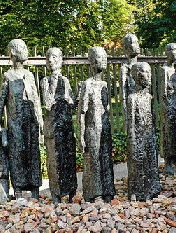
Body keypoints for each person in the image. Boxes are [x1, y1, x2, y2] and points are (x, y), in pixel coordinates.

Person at [0, 39, 43, 200]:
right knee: (17, 154)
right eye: (22, 48)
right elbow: (0, 103)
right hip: (16, 124)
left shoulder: (29, 75)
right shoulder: (7, 76)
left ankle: (35, 187)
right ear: (14, 53)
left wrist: (41, 122)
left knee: (33, 154)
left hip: (31, 123)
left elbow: (36, 101)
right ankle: (18, 188)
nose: (26, 50)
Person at [77, 46, 115, 203]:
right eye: (100, 57)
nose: (104, 60)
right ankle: (95, 193)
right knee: (94, 161)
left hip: (104, 128)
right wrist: (80, 136)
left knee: (106, 159)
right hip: (92, 129)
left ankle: (108, 191)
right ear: (92, 62)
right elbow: (81, 112)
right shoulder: (87, 84)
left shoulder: (105, 84)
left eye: (105, 57)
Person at [40, 48, 77, 203]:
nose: (51, 60)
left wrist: (75, 98)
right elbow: (47, 103)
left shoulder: (65, 80)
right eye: (48, 58)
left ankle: (71, 193)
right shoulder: (45, 81)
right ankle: (56, 194)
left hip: (66, 126)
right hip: (53, 127)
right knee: (54, 160)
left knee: (68, 158)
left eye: (54, 57)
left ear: (61, 60)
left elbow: (72, 103)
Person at [127, 62, 161, 201]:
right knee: (139, 165)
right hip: (138, 137)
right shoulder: (132, 98)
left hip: (149, 136)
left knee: (151, 163)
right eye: (145, 73)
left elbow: (152, 119)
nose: (149, 76)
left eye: (149, 73)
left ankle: (152, 188)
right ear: (137, 76)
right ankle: (139, 191)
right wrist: (133, 142)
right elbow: (130, 123)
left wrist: (153, 136)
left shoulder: (148, 97)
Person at [158, 43, 176, 175]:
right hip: (169, 109)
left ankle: (174, 162)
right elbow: (163, 94)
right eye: (174, 51)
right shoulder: (164, 71)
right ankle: (168, 164)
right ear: (167, 53)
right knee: (169, 137)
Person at [120, 33, 140, 132]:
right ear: (126, 48)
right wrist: (125, 115)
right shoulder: (125, 68)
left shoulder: (142, 67)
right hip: (131, 109)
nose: (137, 45)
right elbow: (123, 94)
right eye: (134, 43)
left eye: (137, 42)